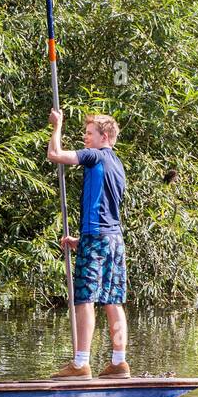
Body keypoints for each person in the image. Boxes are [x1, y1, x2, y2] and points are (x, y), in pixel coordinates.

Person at [46, 109, 130, 379]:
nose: (85, 137)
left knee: (85, 299)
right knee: (113, 302)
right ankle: (119, 363)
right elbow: (106, 211)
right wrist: (81, 242)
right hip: (114, 240)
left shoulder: (96, 156)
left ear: (104, 136)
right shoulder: (118, 164)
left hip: (97, 238)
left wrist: (56, 126)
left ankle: (81, 364)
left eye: (89, 133)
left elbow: (55, 155)